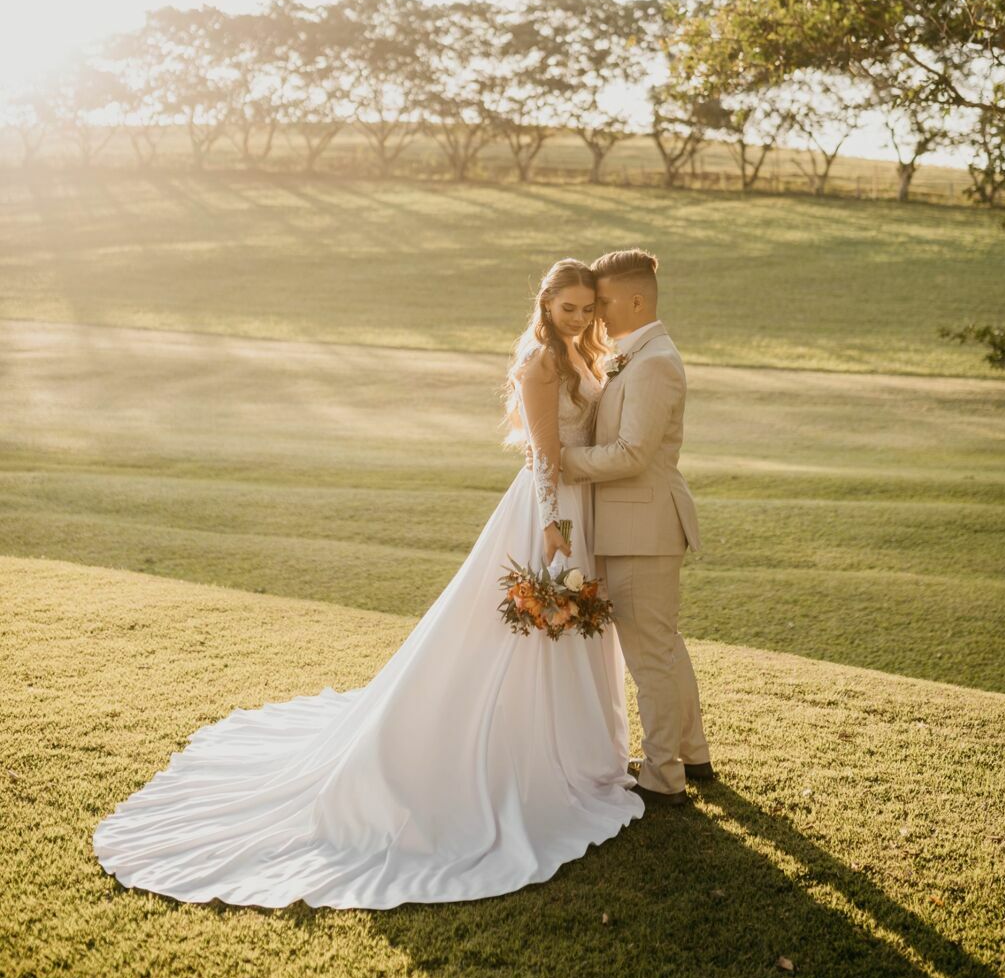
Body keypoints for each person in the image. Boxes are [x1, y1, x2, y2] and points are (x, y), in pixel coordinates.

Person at [92, 259, 643, 911]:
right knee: (530, 627)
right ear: (545, 305)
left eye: (587, 309)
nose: (579, 319)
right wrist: (552, 524)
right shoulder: (541, 363)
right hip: (548, 513)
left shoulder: (577, 351)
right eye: (568, 309)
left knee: (567, 627)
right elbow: (542, 455)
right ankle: (525, 761)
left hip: (576, 506)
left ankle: (580, 756)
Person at [560, 248, 713, 807]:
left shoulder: (654, 363)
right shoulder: (636, 355)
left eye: (601, 302)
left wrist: (561, 461)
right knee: (664, 649)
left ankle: (663, 776)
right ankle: (692, 754)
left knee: (650, 657)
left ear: (635, 300)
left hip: (643, 528)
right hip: (634, 525)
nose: (595, 314)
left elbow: (629, 454)